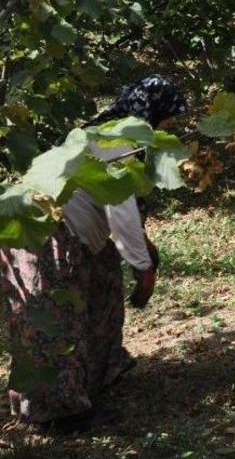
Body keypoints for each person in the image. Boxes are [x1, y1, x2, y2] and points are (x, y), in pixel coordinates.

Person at [1, 76, 188, 433]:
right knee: (53, 321)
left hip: (77, 234)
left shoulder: (114, 134)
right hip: (45, 234)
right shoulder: (117, 141)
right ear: (154, 111)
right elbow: (121, 211)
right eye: (169, 118)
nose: (170, 126)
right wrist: (144, 268)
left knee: (104, 294)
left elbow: (119, 204)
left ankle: (99, 373)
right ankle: (56, 413)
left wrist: (145, 249)